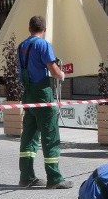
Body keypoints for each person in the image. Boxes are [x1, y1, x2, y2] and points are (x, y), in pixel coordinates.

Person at [17, 15, 72, 189]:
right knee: (50, 134)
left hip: (28, 93)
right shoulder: (43, 44)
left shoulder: (21, 46)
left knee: (29, 135)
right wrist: (61, 74)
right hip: (42, 93)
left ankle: (26, 176)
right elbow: (53, 69)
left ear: (29, 28)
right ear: (44, 29)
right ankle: (54, 178)